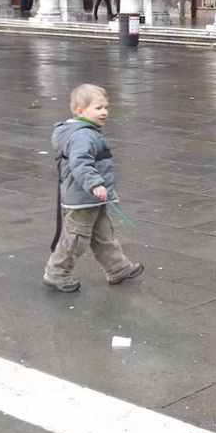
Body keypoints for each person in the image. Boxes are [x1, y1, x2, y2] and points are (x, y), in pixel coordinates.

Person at [43, 84, 144, 292]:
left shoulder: (86, 131)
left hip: (91, 197)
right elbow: (81, 163)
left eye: (106, 107)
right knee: (75, 238)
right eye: (98, 108)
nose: (105, 112)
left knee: (103, 235)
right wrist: (95, 184)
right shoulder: (83, 136)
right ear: (80, 111)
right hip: (83, 198)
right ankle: (56, 274)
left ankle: (118, 268)